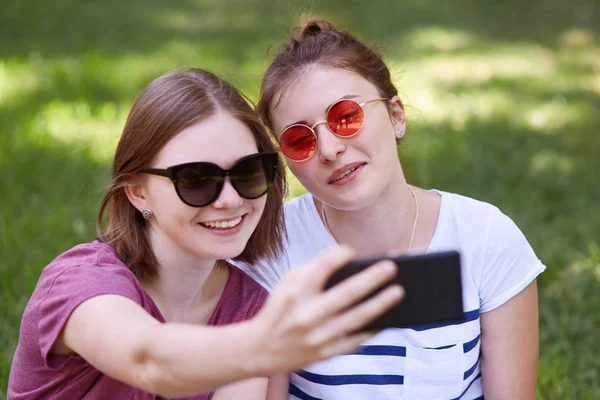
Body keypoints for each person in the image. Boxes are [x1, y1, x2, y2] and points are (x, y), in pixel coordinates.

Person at [7, 68, 405, 400]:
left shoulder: (249, 310)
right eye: (196, 179)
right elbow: (149, 360)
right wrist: (268, 344)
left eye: (248, 172)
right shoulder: (81, 283)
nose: (230, 200)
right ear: (137, 191)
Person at [234, 20, 546, 400]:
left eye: (346, 117)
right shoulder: (269, 247)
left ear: (396, 115)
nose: (330, 149)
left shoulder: (486, 239)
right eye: (300, 139)